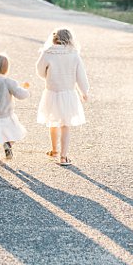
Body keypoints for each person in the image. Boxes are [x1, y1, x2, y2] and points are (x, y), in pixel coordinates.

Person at [35, 27, 90, 166]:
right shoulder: (74, 54)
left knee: (53, 122)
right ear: (69, 39)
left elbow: (39, 70)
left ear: (54, 39)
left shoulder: (48, 52)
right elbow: (81, 76)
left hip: (51, 92)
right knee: (66, 125)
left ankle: (54, 150)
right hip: (68, 94)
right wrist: (84, 91)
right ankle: (63, 157)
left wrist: (48, 76)